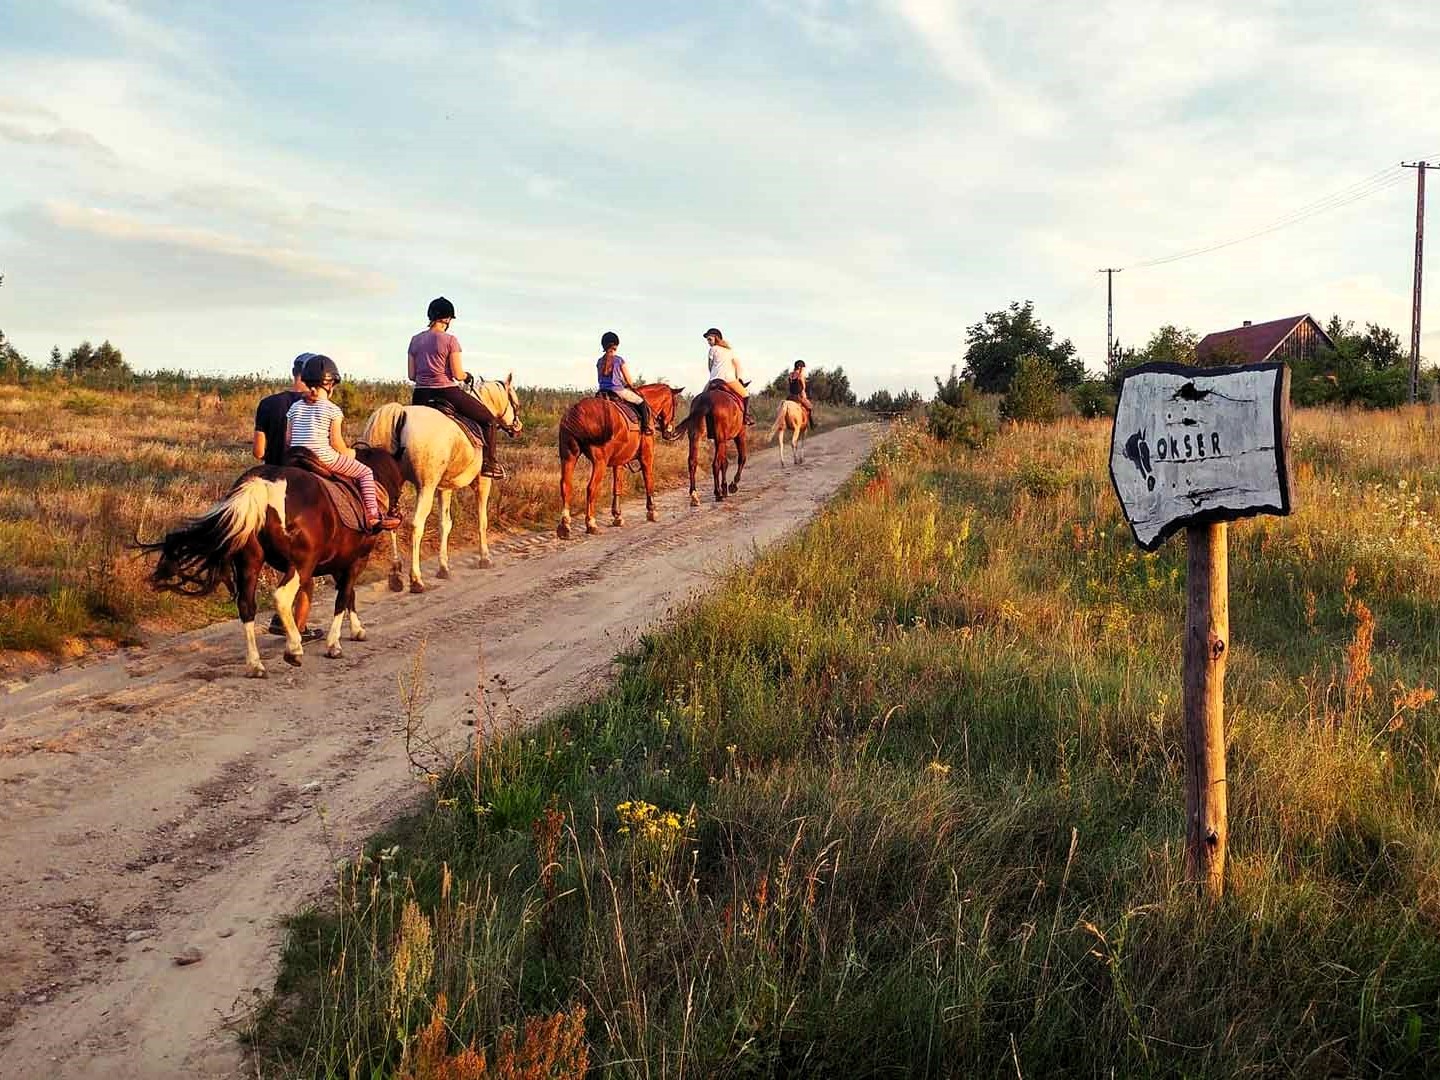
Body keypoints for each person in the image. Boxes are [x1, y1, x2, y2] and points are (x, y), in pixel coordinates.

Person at [286, 354, 401, 533]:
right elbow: (337, 446)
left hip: (296, 457)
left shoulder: (295, 407)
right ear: (330, 384)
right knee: (365, 472)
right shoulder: (333, 409)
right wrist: (353, 453)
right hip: (324, 458)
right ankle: (373, 515)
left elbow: (288, 439)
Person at [408, 297, 505, 479]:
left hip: (420, 395)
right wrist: (467, 376)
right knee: (490, 420)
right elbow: (458, 374)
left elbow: (412, 375)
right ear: (447, 319)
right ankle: (489, 463)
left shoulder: (414, 340)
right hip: (446, 392)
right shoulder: (450, 340)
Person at [253, 353, 313, 465]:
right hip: (307, 474)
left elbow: (258, 452)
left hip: (273, 473)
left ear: (293, 372)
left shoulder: (267, 403)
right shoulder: (322, 405)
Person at [596, 331, 653, 435]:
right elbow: (629, 381)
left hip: (601, 392)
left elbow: (600, 378)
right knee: (641, 402)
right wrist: (630, 385)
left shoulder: (599, 361)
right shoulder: (619, 360)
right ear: (616, 345)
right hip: (617, 391)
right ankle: (646, 428)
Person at [703, 327, 754, 426]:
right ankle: (746, 417)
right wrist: (739, 378)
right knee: (746, 395)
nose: (708, 342)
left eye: (709, 339)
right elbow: (737, 365)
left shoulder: (712, 349)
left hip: (714, 379)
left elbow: (710, 366)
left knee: (701, 397)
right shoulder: (730, 351)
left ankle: (694, 421)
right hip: (729, 379)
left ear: (716, 338)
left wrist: (713, 375)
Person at [787, 359, 816, 429]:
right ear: (800, 367)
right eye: (803, 367)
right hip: (798, 396)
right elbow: (803, 387)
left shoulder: (790, 375)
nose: (803, 369)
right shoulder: (800, 375)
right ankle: (812, 425)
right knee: (809, 407)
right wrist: (804, 394)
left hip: (790, 396)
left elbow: (790, 385)